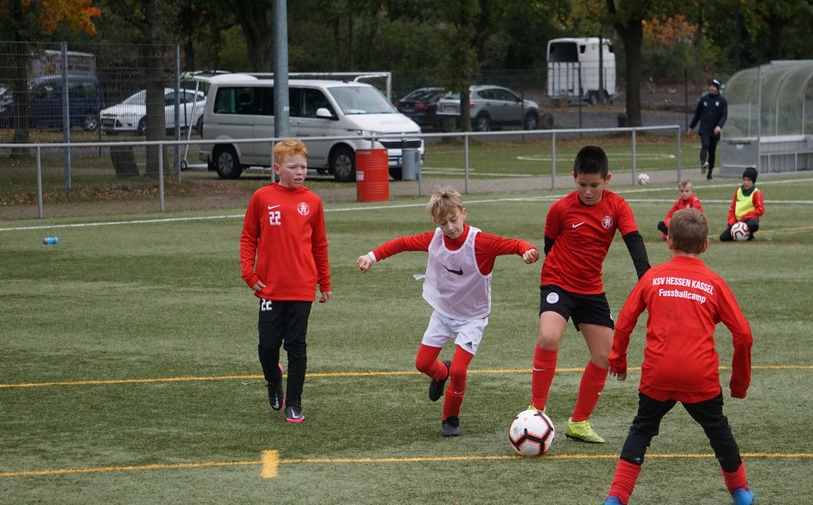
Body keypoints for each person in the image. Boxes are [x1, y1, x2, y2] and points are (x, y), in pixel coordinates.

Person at [601, 208, 754, 505]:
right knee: (718, 430)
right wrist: (739, 383)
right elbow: (743, 335)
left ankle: (615, 499)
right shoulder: (713, 282)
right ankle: (740, 492)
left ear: (668, 242)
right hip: (700, 375)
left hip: (658, 373)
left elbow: (625, 322)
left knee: (642, 429)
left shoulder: (652, 277)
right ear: (706, 245)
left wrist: (618, 360)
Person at [358, 187, 538, 438]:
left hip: (472, 318)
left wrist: (527, 251)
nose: (450, 227)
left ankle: (450, 418)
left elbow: (514, 244)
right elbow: (403, 243)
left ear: (463, 213)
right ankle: (441, 373)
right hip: (443, 313)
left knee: (459, 371)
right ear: (436, 222)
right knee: (422, 364)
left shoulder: (480, 242)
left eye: (454, 220)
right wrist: (372, 256)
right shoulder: (435, 239)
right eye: (443, 223)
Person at [530, 145, 651, 444]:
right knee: (548, 337)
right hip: (558, 282)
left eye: (594, 185)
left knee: (605, 355)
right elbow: (550, 243)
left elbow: (633, 240)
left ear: (607, 179)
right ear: (574, 177)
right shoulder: (560, 208)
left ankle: (579, 422)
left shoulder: (617, 206)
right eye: (582, 184)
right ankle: (536, 411)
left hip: (591, 288)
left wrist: (646, 276)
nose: (587, 191)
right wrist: (561, 271)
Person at [240, 139, 331, 423]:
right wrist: (248, 273)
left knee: (296, 346)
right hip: (270, 287)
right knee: (267, 346)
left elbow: (319, 245)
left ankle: (294, 403)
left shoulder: (313, 202)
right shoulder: (262, 197)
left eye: (303, 166)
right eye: (293, 167)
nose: (300, 171)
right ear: (277, 168)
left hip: (302, 287)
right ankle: (273, 379)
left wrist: (324, 282)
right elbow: (248, 237)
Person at [687, 78, 728, 181]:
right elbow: (697, 114)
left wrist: (719, 126)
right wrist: (691, 127)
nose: (711, 88)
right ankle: (703, 163)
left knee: (712, 151)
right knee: (705, 144)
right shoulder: (704, 99)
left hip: (714, 130)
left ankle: (709, 173)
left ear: (717, 88)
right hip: (704, 128)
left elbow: (724, 116)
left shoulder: (722, 101)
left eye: (714, 86)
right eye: (710, 86)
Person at [721, 167, 764, 242]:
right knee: (723, 238)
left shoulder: (756, 193)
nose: (746, 182)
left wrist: (745, 217)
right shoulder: (738, 191)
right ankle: (738, 234)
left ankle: (749, 235)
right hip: (737, 221)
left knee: (753, 224)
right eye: (744, 180)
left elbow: (760, 209)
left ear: (753, 182)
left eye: (748, 180)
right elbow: (732, 208)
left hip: (748, 220)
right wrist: (732, 221)